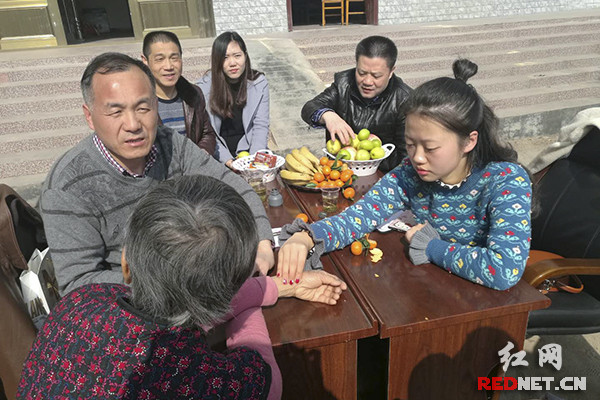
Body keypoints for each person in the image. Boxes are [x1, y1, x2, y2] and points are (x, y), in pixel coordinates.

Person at [18, 175, 348, 400]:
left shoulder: (82, 301)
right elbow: (267, 382)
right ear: (228, 291)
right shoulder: (192, 376)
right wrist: (253, 299)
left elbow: (180, 310)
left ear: (125, 263)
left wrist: (274, 286)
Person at [279, 59, 532, 291]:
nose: (417, 157)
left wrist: (428, 245)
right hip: (429, 291)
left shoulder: (506, 181)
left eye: (430, 148)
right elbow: (358, 217)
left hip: (484, 307)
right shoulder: (410, 176)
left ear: (468, 142)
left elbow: (502, 270)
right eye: (410, 144)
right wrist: (307, 237)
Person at [40, 52, 274, 295]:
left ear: (156, 105)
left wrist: (262, 242)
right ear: (89, 116)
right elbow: (78, 283)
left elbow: (233, 187)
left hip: (203, 284)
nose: (132, 125)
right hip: (134, 307)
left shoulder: (171, 144)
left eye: (143, 108)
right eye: (116, 112)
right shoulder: (67, 186)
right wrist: (172, 282)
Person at [301, 35, 412, 172]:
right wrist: (328, 115)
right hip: (338, 175)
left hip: (381, 178)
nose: (367, 81)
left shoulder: (405, 100)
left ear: (391, 72)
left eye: (376, 76)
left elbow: (405, 157)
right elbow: (309, 108)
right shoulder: (343, 83)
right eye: (361, 73)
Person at [197, 31, 270, 167]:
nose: (233, 63)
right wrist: (229, 162)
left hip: (251, 152)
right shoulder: (203, 88)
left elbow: (261, 125)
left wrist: (255, 161)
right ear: (217, 61)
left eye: (237, 56)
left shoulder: (259, 83)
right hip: (219, 154)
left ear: (245, 56)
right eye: (225, 58)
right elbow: (209, 133)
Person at [141, 30, 216, 154]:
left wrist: (198, 158)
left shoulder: (193, 93)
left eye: (174, 58)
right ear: (145, 60)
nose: (169, 66)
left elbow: (206, 133)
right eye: (160, 59)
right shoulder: (139, 101)